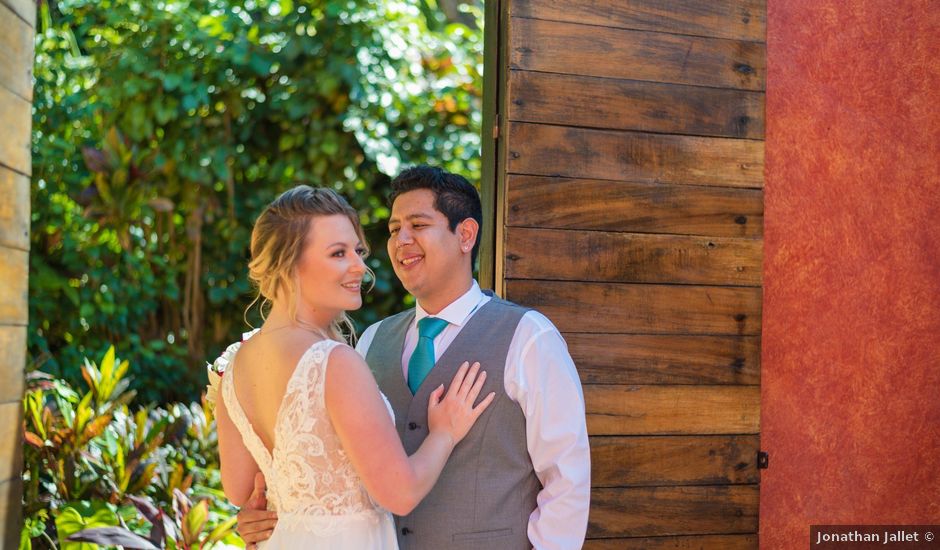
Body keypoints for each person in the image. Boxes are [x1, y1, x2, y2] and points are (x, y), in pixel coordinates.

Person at [238, 166, 591, 549]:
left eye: (418, 225)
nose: (401, 240)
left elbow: (566, 477)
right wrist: (273, 512)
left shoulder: (529, 337)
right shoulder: (371, 342)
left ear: (465, 235)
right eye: (393, 230)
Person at [214, 185, 495, 549]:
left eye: (358, 251)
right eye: (338, 253)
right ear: (289, 264)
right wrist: (444, 433)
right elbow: (401, 493)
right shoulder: (334, 362)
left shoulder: (235, 364)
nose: (360, 266)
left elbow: (240, 488)